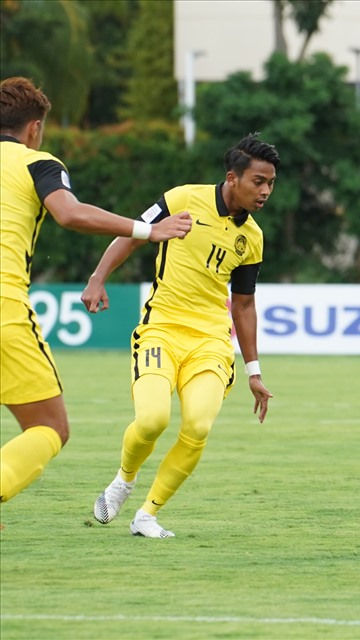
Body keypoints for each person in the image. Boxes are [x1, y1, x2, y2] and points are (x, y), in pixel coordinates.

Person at [0, 77, 192, 504]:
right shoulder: (38, 163)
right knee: (49, 427)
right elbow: (69, 214)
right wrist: (149, 229)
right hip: (4, 308)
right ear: (34, 128)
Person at [82, 134, 278, 538]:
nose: (265, 191)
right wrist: (98, 278)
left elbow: (243, 305)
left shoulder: (252, 238)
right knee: (152, 420)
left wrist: (254, 371)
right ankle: (124, 480)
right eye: (258, 181)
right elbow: (133, 233)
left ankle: (147, 515)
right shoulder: (183, 198)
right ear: (232, 178)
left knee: (198, 426)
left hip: (210, 343)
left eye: (271, 183)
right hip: (161, 331)